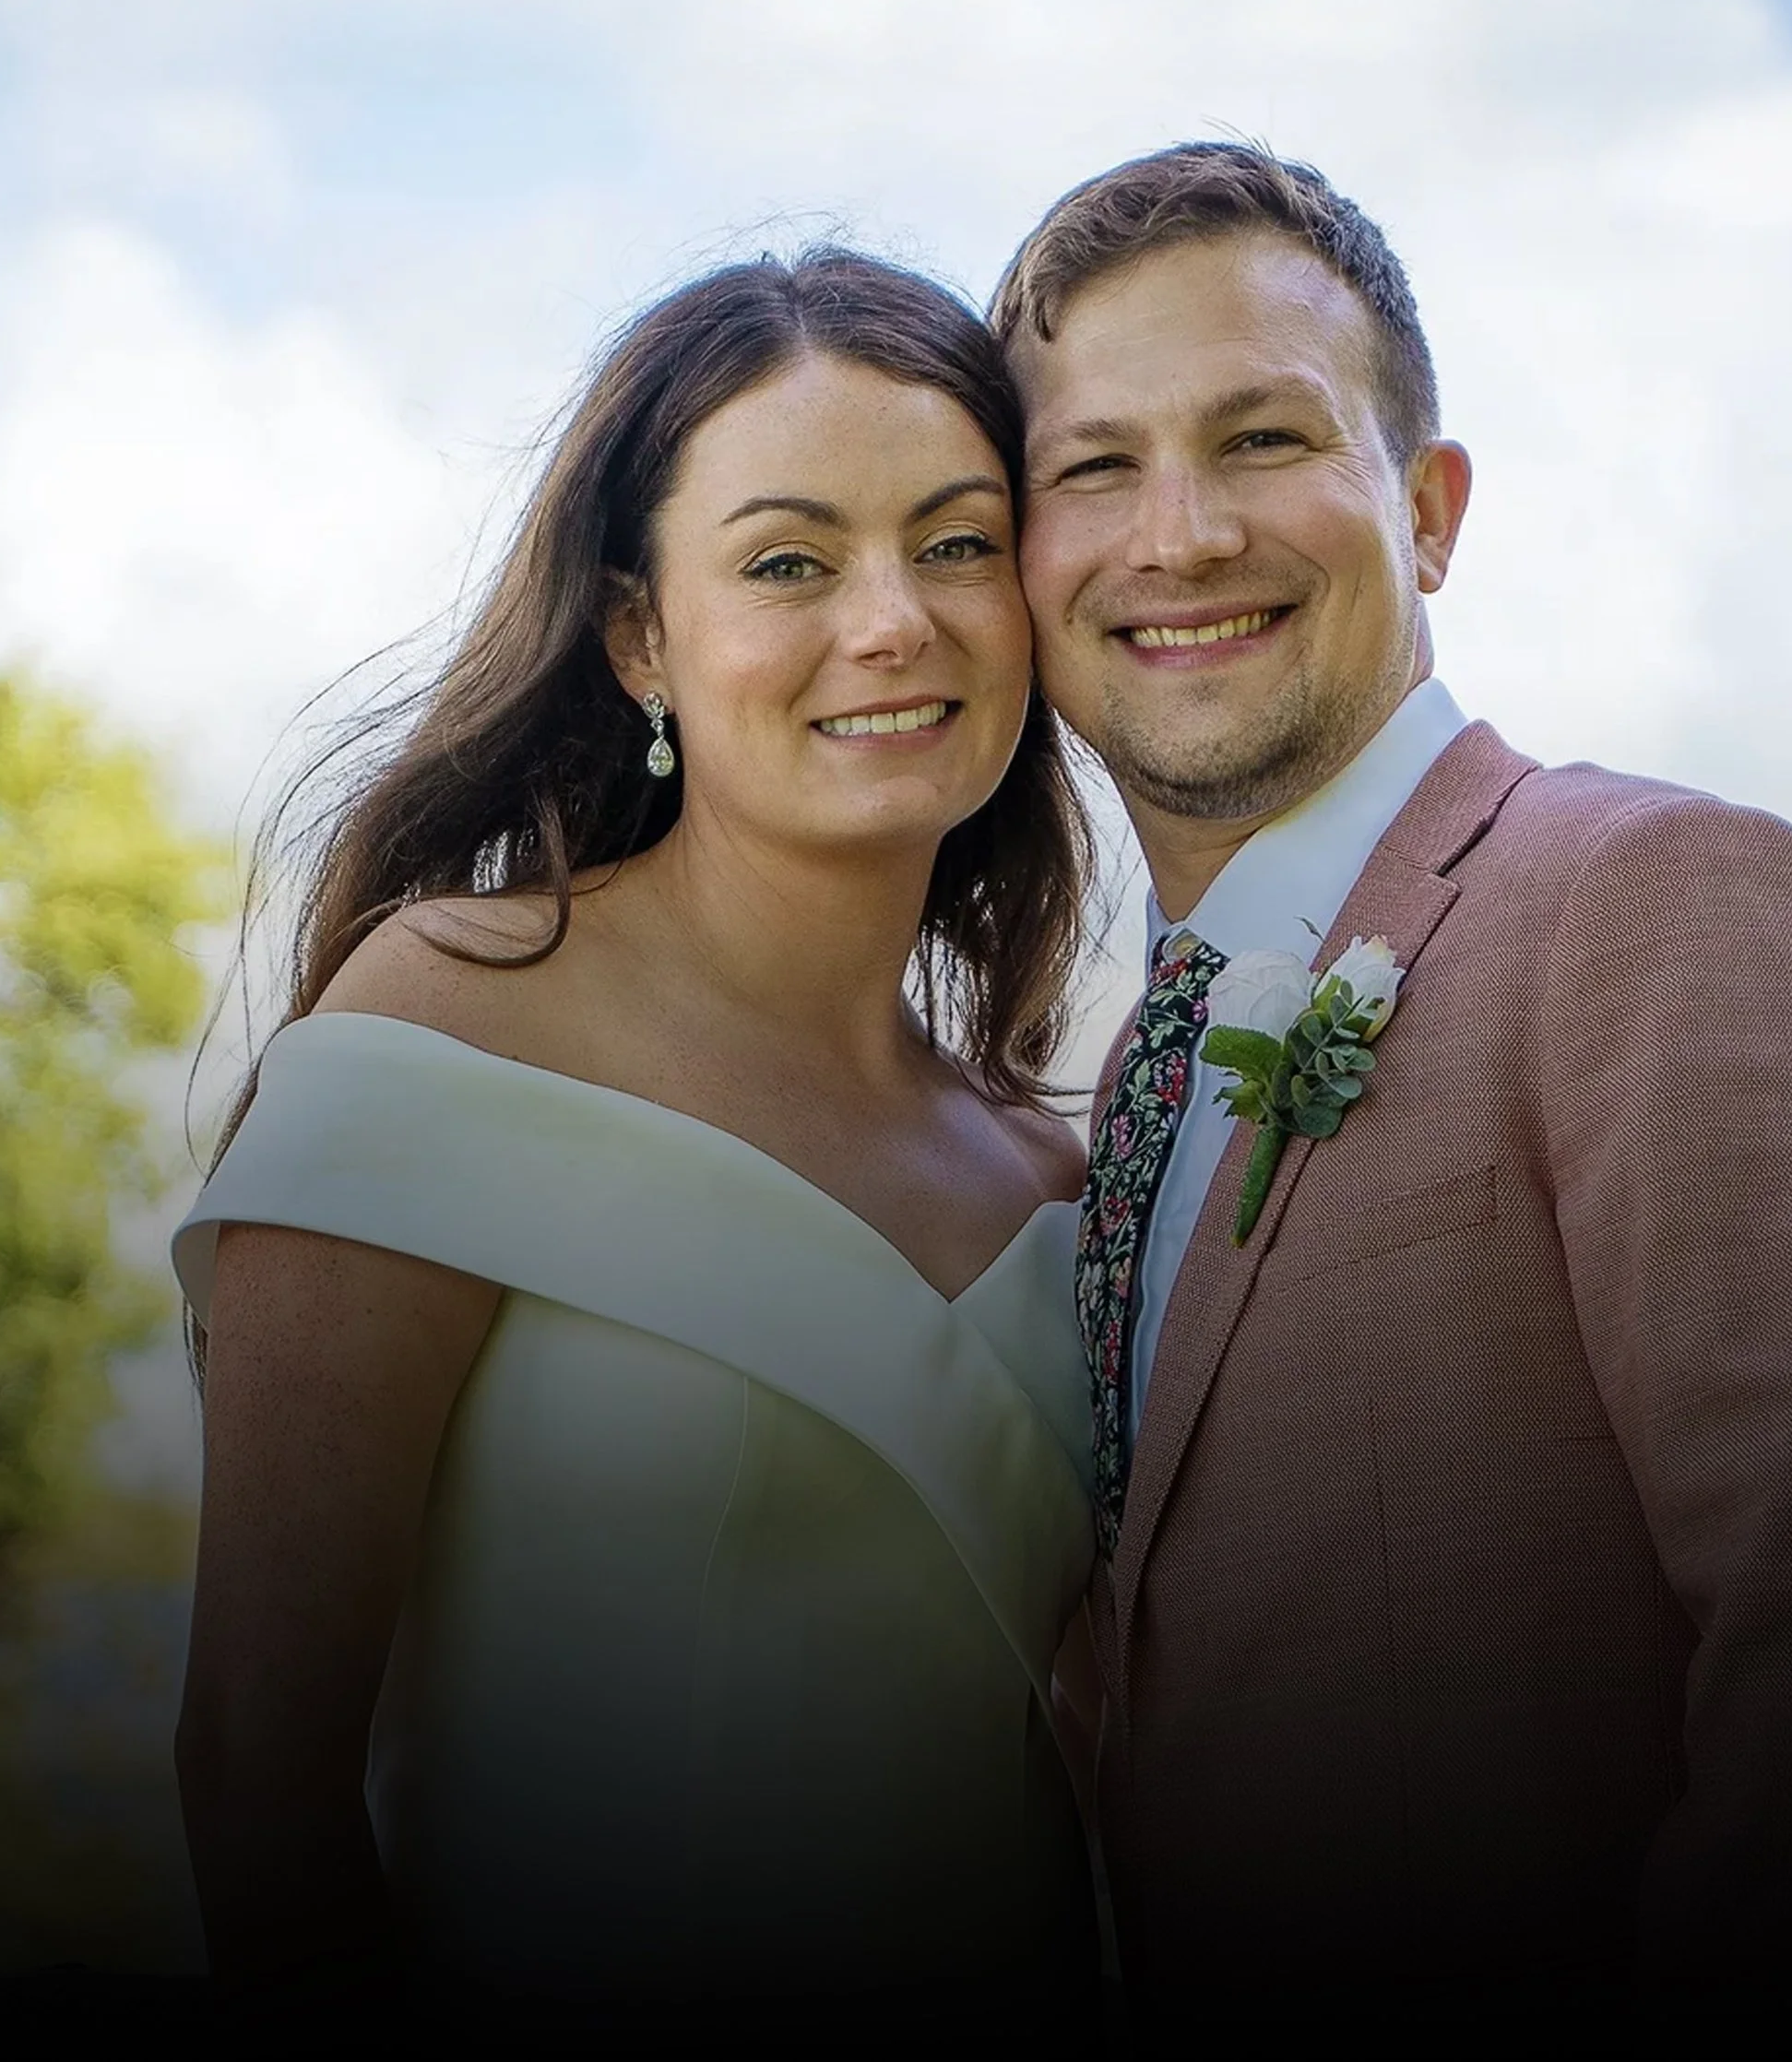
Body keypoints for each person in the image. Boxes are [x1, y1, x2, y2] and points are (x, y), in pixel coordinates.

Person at [991, 143, 1792, 2026]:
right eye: (1093, 467)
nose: (1181, 531)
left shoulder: (1666, 902)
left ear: (1430, 508)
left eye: (1264, 438)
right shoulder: (1139, 1063)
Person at [171, 249, 1104, 2029]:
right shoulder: (444, 1026)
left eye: (960, 541)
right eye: (787, 562)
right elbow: (257, 1789)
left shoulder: (1047, 1173)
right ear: (640, 638)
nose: (893, 618)